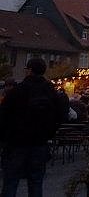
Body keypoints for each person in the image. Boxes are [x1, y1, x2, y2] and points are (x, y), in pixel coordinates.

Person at [0, 57, 61, 197]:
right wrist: (49, 133)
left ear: (30, 71)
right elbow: (60, 114)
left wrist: (4, 137)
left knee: (11, 181)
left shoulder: (18, 90)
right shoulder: (51, 91)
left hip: (16, 142)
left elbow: (4, 114)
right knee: (36, 182)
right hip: (40, 142)